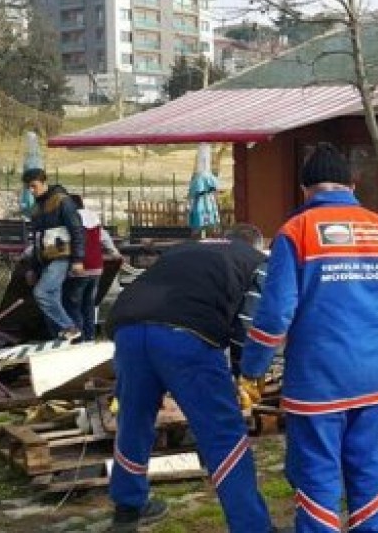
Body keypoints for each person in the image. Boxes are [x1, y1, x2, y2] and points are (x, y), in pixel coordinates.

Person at [239, 143, 378, 533]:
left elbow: (275, 313)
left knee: (318, 473)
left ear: (305, 189)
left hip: (318, 381)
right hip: (373, 376)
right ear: (352, 184)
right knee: (366, 466)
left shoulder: (296, 232)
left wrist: (252, 367)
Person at [106, 225, 276, 533]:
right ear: (258, 244)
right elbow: (249, 324)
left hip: (127, 329)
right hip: (186, 336)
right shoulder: (257, 261)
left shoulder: (184, 249)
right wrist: (245, 374)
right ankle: (252, 526)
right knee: (224, 434)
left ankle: (127, 509)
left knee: (134, 420)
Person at [21, 168, 85, 341]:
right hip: (45, 259)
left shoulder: (62, 201)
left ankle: (69, 327)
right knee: (52, 299)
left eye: (34, 186)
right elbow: (36, 241)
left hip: (61, 256)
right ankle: (61, 338)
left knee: (41, 293)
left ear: (44, 183)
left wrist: (78, 259)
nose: (31, 191)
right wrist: (33, 268)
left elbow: (77, 230)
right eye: (28, 188)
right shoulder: (37, 208)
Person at [63, 195, 120, 342]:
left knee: (73, 305)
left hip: (79, 268)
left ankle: (78, 339)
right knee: (89, 305)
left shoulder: (70, 219)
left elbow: (58, 239)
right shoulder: (93, 219)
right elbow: (105, 238)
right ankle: (90, 337)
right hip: (96, 267)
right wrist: (114, 252)